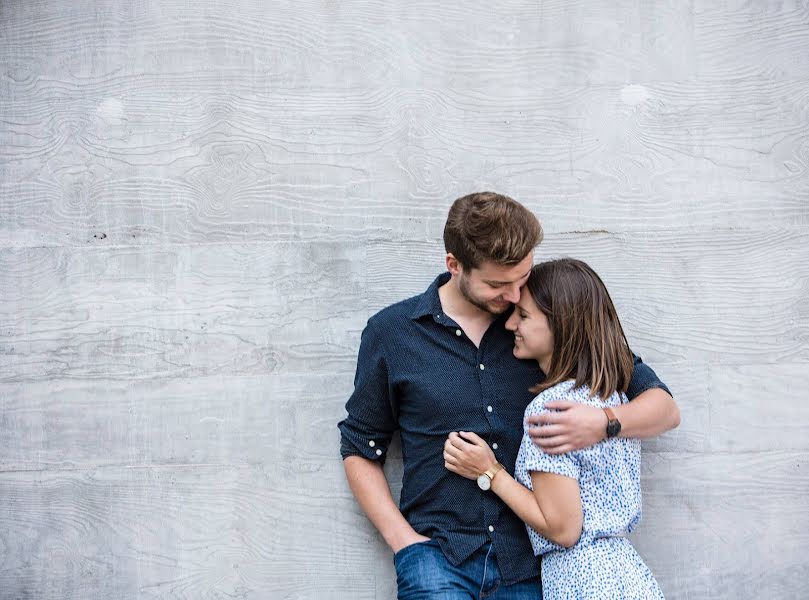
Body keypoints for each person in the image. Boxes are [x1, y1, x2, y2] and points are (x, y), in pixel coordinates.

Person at [338, 192, 679, 599]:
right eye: (499, 284)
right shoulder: (393, 333)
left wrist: (601, 423)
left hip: (533, 568)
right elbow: (361, 445)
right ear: (454, 265)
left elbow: (663, 407)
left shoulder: (547, 327)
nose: (515, 296)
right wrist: (404, 542)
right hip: (438, 558)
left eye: (522, 279)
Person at [444, 258, 666, 598]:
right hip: (625, 575)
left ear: (560, 325)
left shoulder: (552, 410)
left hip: (583, 580)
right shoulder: (612, 397)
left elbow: (563, 529)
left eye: (524, 316)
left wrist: (491, 472)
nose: (510, 325)